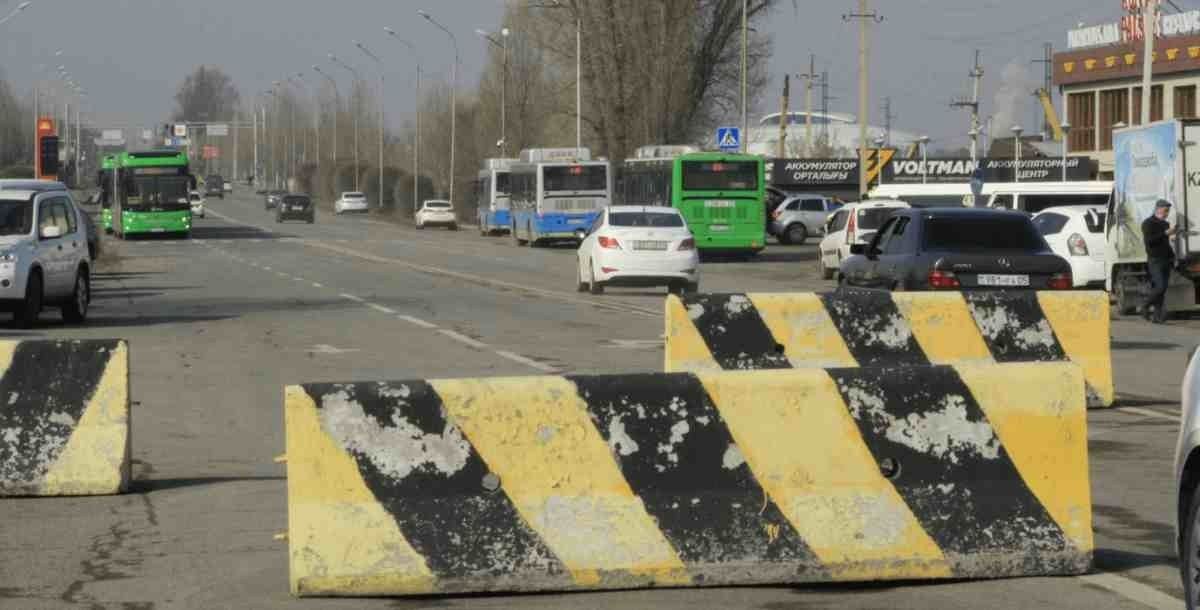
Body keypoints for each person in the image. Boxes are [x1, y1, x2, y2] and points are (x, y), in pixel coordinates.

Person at [1141, 199, 1178, 323]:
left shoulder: (1165, 224)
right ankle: (1145, 305)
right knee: (1160, 287)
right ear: (1158, 209)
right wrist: (1165, 233)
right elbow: (1149, 242)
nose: (1167, 213)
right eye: (1165, 210)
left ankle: (1157, 316)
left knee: (1162, 289)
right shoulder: (1148, 223)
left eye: (1168, 211)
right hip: (1155, 260)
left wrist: (1173, 257)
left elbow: (1165, 244)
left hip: (1166, 259)